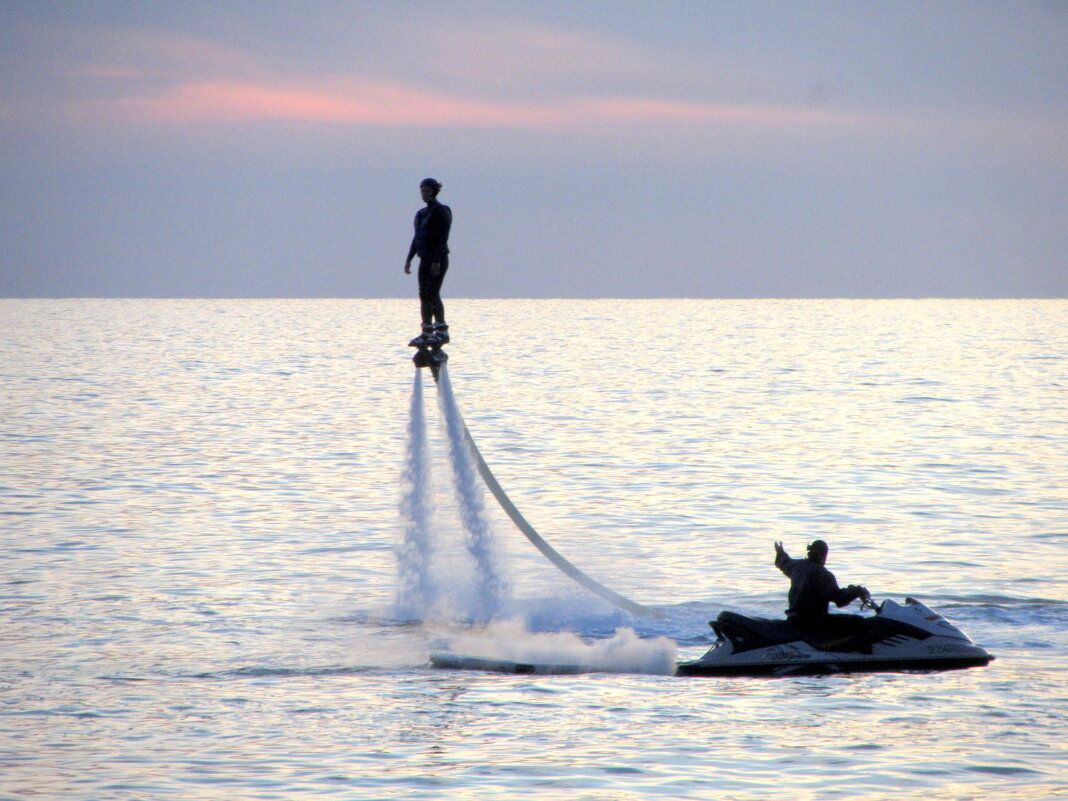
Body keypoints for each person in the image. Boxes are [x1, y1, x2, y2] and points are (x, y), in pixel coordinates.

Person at [774, 539, 872, 650]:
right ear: (823, 555)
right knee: (859, 622)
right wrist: (856, 592)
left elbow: (783, 562)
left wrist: (780, 552)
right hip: (814, 622)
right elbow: (839, 599)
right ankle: (865, 658)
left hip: (794, 620)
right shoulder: (823, 574)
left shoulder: (798, 566)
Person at [404, 178, 452, 346]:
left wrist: (437, 261)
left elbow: (442, 237)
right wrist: (409, 259)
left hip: (437, 259)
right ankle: (426, 331)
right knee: (423, 294)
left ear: (434, 191)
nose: (424, 194)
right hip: (424, 259)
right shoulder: (420, 214)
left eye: (427, 191)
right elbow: (417, 238)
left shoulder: (442, 211)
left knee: (433, 292)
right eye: (422, 191)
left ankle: (441, 330)